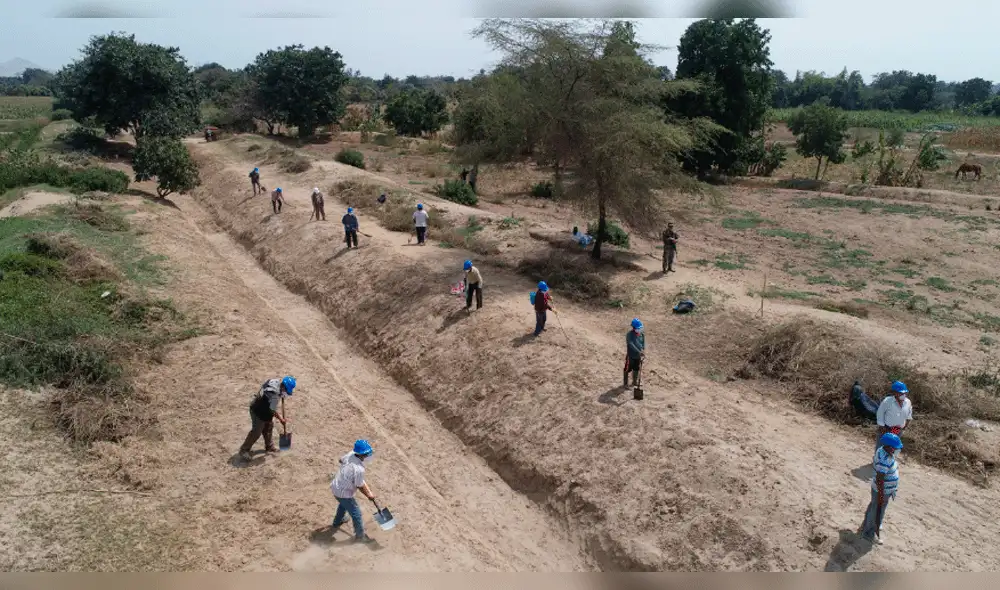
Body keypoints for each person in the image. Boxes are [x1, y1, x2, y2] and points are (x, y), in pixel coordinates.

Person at [330, 439, 378, 543]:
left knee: (343, 504)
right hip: (343, 492)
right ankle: (360, 537)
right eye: (366, 454)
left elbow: (340, 460)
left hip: (336, 486)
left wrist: (347, 473)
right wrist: (369, 495)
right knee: (357, 514)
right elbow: (360, 485)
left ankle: (337, 522)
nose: (368, 456)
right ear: (361, 454)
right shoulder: (359, 469)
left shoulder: (351, 454)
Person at [238, 376, 296, 462]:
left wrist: (281, 393)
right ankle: (244, 450)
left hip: (262, 405)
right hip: (257, 411)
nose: (287, 393)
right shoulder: (274, 396)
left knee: (269, 426)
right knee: (257, 431)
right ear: (283, 387)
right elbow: (272, 410)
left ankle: (269, 446)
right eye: (286, 391)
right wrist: (281, 419)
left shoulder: (275, 382)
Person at [860, 432, 902, 545]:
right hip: (881, 490)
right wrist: (881, 494)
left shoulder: (882, 451)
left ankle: (868, 525)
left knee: (874, 507)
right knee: (877, 511)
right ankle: (869, 534)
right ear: (889, 447)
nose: (896, 450)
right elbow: (880, 477)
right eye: (895, 448)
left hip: (882, 490)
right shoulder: (884, 459)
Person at [876, 380, 912, 448]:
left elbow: (909, 416)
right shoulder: (887, 401)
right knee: (880, 450)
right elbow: (880, 414)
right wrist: (882, 427)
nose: (903, 395)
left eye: (905, 393)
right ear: (895, 393)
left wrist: (904, 427)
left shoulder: (908, 402)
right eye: (901, 393)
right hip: (886, 430)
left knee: (893, 451)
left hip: (898, 431)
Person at [624, 318, 645, 388]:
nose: (639, 329)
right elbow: (631, 344)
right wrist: (639, 351)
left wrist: (643, 349)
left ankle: (634, 382)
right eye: (638, 328)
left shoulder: (641, 334)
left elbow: (642, 342)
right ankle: (625, 384)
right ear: (633, 327)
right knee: (627, 369)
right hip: (631, 356)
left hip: (638, 356)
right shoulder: (629, 335)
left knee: (636, 368)